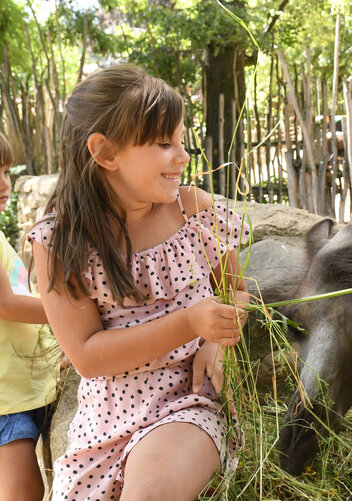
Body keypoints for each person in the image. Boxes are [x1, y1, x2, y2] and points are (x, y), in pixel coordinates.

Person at [28, 64, 251, 501]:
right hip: (105, 418)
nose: (183, 156)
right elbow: (88, 356)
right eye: (164, 143)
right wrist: (189, 322)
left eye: (181, 141)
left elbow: (238, 292)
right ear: (105, 152)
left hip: (188, 400)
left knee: (150, 493)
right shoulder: (59, 240)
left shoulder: (193, 211)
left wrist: (215, 340)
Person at [0, 131, 59, 501]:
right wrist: (70, 316)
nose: (3, 183)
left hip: (28, 387)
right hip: (8, 398)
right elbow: (5, 304)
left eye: (5, 171)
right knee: (23, 491)